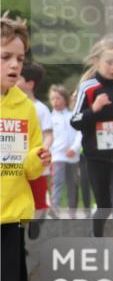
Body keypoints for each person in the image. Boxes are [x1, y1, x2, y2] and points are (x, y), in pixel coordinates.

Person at [1, 14, 52, 281]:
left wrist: (39, 158)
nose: (15, 65)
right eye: (5, 57)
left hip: (11, 215)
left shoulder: (25, 108)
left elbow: (28, 163)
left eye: (20, 58)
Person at [71, 36, 113, 238]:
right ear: (97, 61)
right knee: (105, 207)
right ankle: (96, 239)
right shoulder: (88, 88)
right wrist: (94, 109)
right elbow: (75, 121)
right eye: (109, 62)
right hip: (96, 158)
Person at [16, 62, 52, 238]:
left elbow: (48, 134)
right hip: (16, 165)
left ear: (30, 84)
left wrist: (42, 151)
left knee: (39, 202)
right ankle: (20, 232)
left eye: (19, 77)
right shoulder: (11, 106)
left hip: (37, 167)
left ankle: (35, 224)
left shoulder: (41, 109)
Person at [49, 85, 83, 218]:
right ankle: (55, 208)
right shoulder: (50, 118)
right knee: (57, 181)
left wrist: (74, 148)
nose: (55, 101)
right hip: (57, 156)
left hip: (72, 156)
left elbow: (80, 134)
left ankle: (72, 209)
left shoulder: (72, 116)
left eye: (58, 98)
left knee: (72, 182)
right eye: (52, 99)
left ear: (65, 99)